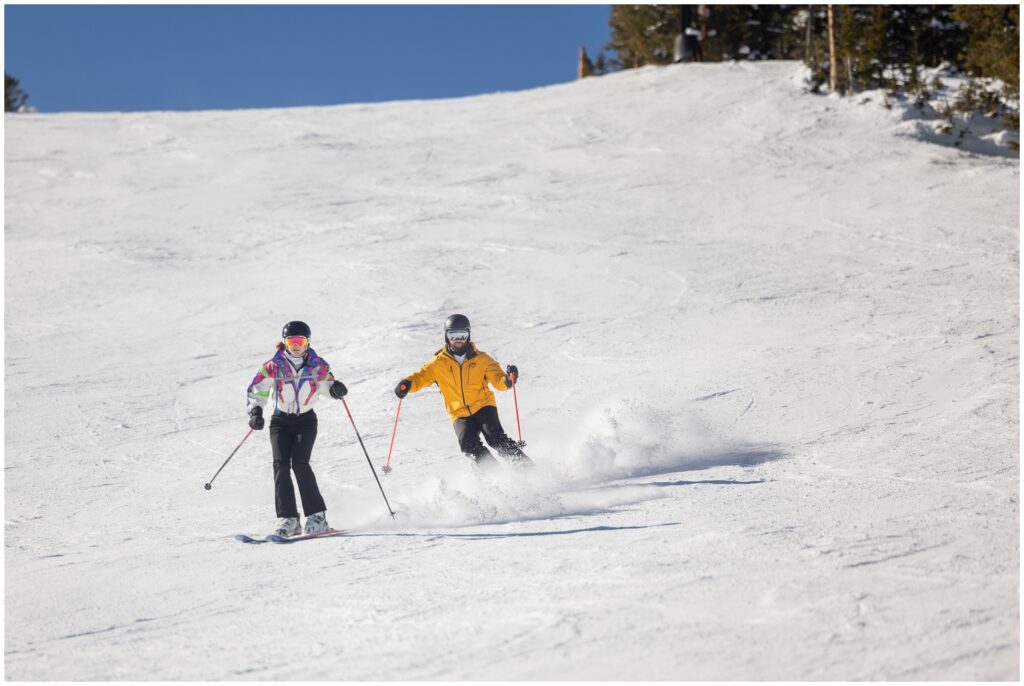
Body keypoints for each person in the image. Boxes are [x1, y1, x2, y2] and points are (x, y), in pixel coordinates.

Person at [246, 321, 348, 536]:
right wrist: (255, 412)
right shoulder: (273, 366)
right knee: (280, 465)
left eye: (300, 341)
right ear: (284, 343)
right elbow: (258, 389)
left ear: (307, 342)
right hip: (280, 422)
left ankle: (317, 516)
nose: (295, 345)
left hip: (305, 421)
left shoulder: (317, 366)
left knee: (300, 463)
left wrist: (336, 390)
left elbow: (327, 387)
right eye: (291, 341)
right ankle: (289, 519)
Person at [394, 314, 531, 469]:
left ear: (468, 335)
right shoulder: (438, 363)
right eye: (453, 335)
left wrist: (507, 380)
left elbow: (498, 380)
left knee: (496, 438)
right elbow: (420, 376)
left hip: (483, 405)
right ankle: (495, 475)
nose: (458, 339)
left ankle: (526, 468)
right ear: (446, 337)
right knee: (468, 445)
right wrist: (407, 384)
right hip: (458, 412)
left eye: (462, 335)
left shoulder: (482, 359)